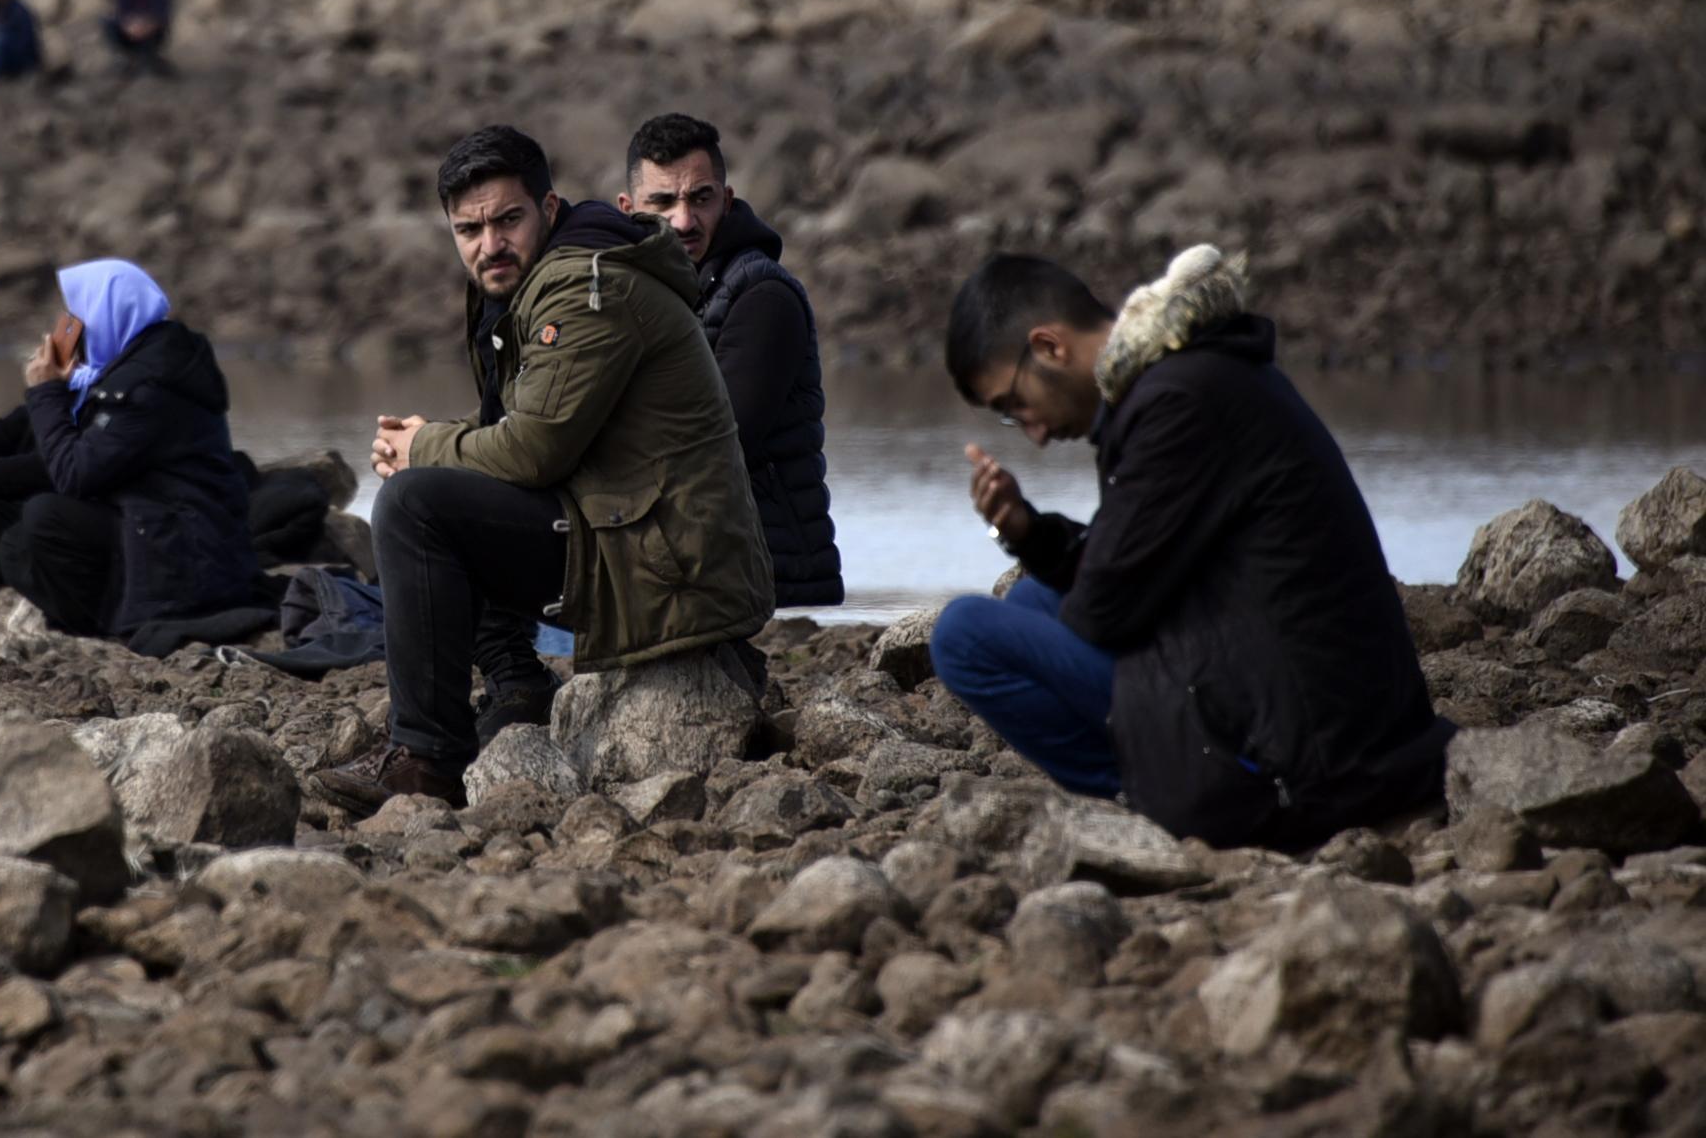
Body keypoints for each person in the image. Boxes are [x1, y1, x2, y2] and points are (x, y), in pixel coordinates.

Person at [312, 126, 775, 814]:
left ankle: (426, 760)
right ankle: (514, 686)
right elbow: (524, 432)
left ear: (549, 211)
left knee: (416, 505)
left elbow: (534, 451)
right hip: (638, 533)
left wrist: (426, 448)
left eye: (507, 220)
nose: (489, 244)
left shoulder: (584, 286)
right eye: (469, 228)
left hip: (673, 566)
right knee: (444, 491)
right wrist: (432, 441)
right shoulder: (533, 286)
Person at [934, 248, 1454, 851]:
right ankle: (1162, 783)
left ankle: (1152, 802)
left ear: (1049, 347)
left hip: (1314, 772)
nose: (1035, 432)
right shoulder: (1188, 377)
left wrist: (1062, 558)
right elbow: (1129, 568)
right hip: (1314, 721)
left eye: (1014, 405)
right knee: (1030, 599)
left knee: (963, 635)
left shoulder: (1174, 404)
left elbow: (1106, 611)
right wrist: (1030, 534)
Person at [0, 260, 258, 659]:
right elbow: (6, 438)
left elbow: (72, 472)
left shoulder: (150, 388)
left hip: (145, 544)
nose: (64, 327)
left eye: (77, 315)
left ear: (108, 315)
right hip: (96, 516)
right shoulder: (98, 375)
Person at [618, 114, 842, 609]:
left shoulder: (763, 296)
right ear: (628, 209)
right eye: (662, 202)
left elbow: (713, 447)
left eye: (700, 198)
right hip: (690, 569)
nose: (682, 220)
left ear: (728, 199)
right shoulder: (640, 295)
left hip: (773, 584)